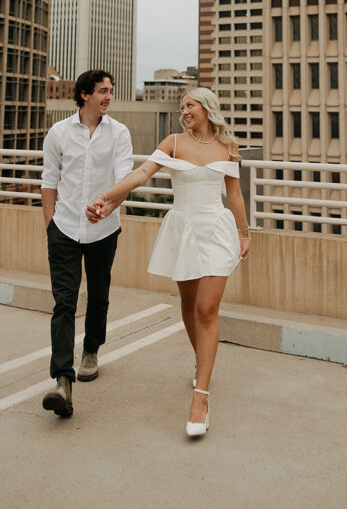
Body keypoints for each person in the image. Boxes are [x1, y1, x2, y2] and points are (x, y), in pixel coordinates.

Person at [86, 87, 250, 438]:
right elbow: (140, 175)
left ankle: (200, 399)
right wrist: (106, 197)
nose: (184, 110)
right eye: (182, 106)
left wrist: (246, 233)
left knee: (207, 309)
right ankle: (201, 362)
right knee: (190, 306)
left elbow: (234, 193)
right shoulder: (173, 142)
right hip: (184, 230)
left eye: (190, 105)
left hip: (218, 231)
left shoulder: (229, 146)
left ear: (207, 107)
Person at [40, 69, 133, 418]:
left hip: (104, 229)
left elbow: (125, 178)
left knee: (99, 295)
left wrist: (107, 206)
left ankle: (91, 349)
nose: (108, 96)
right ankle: (62, 380)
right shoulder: (59, 133)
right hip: (63, 228)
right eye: (102, 91)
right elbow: (49, 179)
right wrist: (50, 223)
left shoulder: (119, 133)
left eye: (111, 90)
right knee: (63, 302)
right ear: (84, 95)